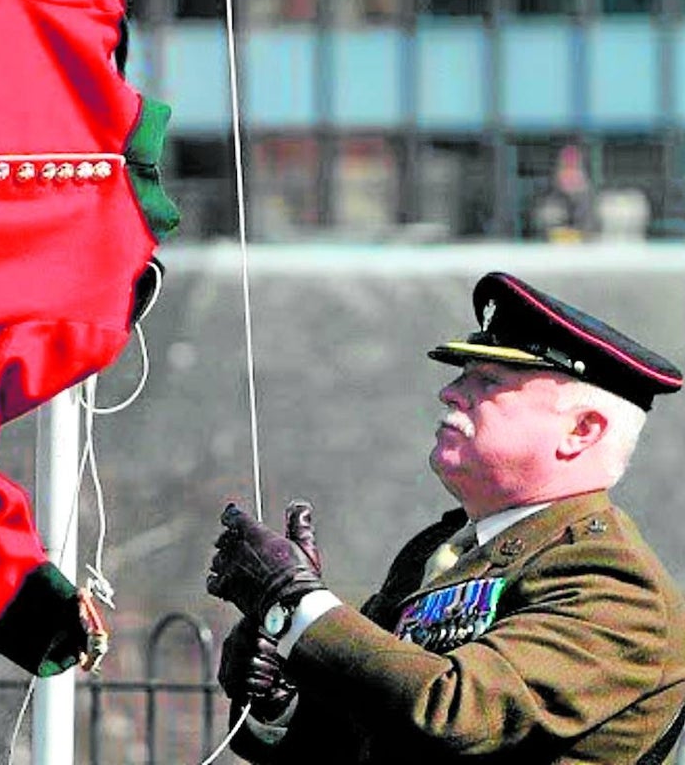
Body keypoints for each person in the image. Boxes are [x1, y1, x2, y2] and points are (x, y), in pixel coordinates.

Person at [206, 271, 685, 764]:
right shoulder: (441, 548)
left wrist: (298, 603)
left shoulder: (613, 580)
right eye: (462, 375)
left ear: (582, 430)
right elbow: (369, 741)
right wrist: (283, 696)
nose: (452, 393)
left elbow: (456, 714)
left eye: (489, 381)